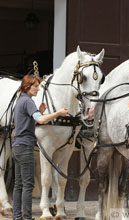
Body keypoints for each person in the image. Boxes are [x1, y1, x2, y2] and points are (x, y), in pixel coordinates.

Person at [12, 75, 68, 220]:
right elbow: (41, 120)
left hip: (17, 146)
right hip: (25, 147)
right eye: (35, 86)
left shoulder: (20, 101)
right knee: (28, 185)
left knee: (18, 185)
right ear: (27, 87)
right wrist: (58, 113)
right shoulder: (28, 101)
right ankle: (27, 217)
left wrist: (41, 111)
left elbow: (30, 122)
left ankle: (17, 216)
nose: (38, 89)